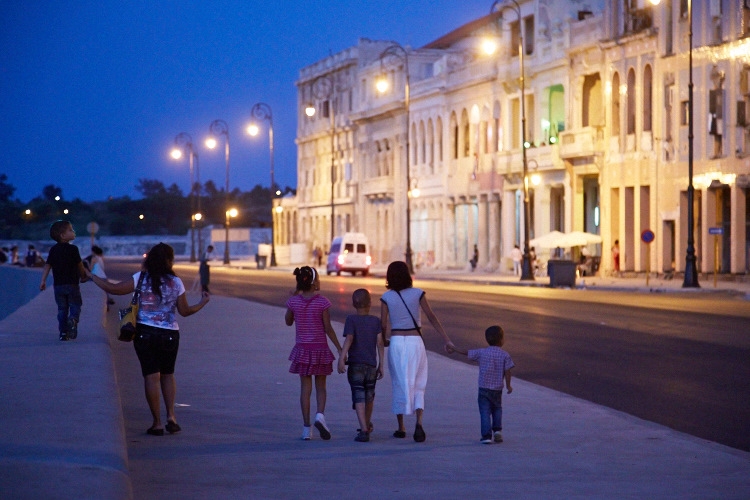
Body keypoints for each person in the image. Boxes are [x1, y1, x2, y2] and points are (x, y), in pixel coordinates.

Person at [87, 243, 210, 436]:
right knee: (168, 375)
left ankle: (157, 423)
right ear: (170, 260)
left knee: (151, 378)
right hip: (170, 335)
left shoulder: (141, 278)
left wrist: (92, 276)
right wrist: (203, 302)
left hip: (144, 334)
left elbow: (115, 289)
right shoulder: (175, 282)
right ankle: (171, 417)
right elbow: (185, 311)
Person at [380, 261, 455, 443]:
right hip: (415, 342)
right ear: (407, 275)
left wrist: (383, 341)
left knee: (399, 382)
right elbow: (431, 317)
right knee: (418, 382)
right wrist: (446, 339)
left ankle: (401, 427)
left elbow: (383, 325)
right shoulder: (417, 293)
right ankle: (419, 422)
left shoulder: (386, 297)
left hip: (396, 342)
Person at [285, 266, 343, 440]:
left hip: (302, 349)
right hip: (320, 350)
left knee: (305, 389)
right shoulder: (322, 302)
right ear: (314, 282)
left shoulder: (294, 301)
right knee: (321, 387)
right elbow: (328, 328)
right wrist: (340, 348)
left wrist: (293, 300)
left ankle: (305, 429)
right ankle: (320, 416)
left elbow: (288, 322)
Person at [337, 288, 384, 443]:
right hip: (371, 366)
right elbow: (380, 343)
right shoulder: (376, 321)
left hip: (356, 365)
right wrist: (382, 365)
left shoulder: (351, 320)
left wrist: (342, 358)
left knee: (358, 395)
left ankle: (364, 429)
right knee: (369, 395)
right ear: (370, 303)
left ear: (353, 304)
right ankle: (366, 424)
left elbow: (349, 339)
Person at [453, 325, 514, 444]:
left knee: (484, 412)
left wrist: (454, 348)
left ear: (487, 339)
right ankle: (497, 431)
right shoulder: (505, 355)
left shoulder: (482, 352)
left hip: (483, 389)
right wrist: (508, 385)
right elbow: (508, 371)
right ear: (501, 340)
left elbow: (467, 353)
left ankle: (486, 436)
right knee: (497, 409)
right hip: (497, 389)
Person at [39, 220, 89, 341]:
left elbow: (47, 265)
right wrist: (83, 276)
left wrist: (43, 281)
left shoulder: (53, 250)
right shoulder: (73, 249)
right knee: (76, 304)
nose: (74, 232)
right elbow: (80, 265)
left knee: (62, 309)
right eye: (71, 230)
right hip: (72, 284)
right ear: (62, 235)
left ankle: (63, 333)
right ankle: (73, 319)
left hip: (58, 286)